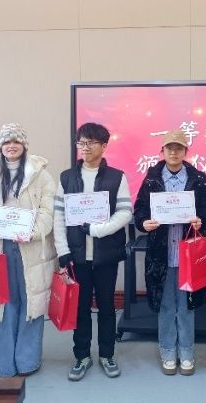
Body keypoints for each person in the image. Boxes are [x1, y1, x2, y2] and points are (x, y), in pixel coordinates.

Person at [0, 122, 57, 377]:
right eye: (6, 142)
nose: (11, 146)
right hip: (2, 247)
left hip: (30, 246)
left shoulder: (41, 175)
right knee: (5, 304)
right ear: (0, 146)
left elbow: (48, 211)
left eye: (16, 141)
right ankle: (5, 365)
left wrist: (33, 232)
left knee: (31, 302)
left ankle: (27, 361)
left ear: (24, 145)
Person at [53, 122, 132, 381]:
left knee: (107, 307)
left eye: (90, 143)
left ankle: (107, 354)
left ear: (104, 146)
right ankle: (82, 356)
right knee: (80, 308)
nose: (84, 148)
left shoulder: (117, 177)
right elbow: (58, 216)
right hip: (77, 257)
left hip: (106, 255)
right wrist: (62, 250)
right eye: (81, 143)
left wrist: (97, 230)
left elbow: (125, 212)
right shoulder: (66, 177)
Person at [134, 129, 206, 376]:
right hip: (161, 255)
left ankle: (187, 352)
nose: (174, 152)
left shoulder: (197, 178)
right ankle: (168, 351)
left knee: (187, 306)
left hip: (189, 254)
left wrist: (201, 220)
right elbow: (140, 210)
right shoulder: (152, 179)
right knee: (166, 305)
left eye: (179, 148)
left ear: (185, 151)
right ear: (162, 151)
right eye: (169, 148)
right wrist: (144, 223)